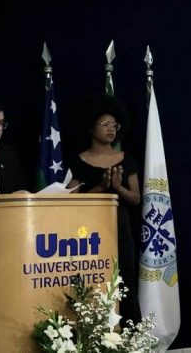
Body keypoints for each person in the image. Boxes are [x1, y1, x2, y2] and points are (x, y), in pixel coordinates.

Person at [66, 96, 142, 322]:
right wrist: (100, 188)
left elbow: (136, 198)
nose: (111, 129)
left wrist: (118, 188)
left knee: (125, 280)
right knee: (95, 280)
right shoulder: (79, 160)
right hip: (89, 233)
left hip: (121, 228)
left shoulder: (126, 158)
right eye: (105, 124)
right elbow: (69, 200)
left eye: (114, 125)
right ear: (91, 128)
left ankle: (130, 332)